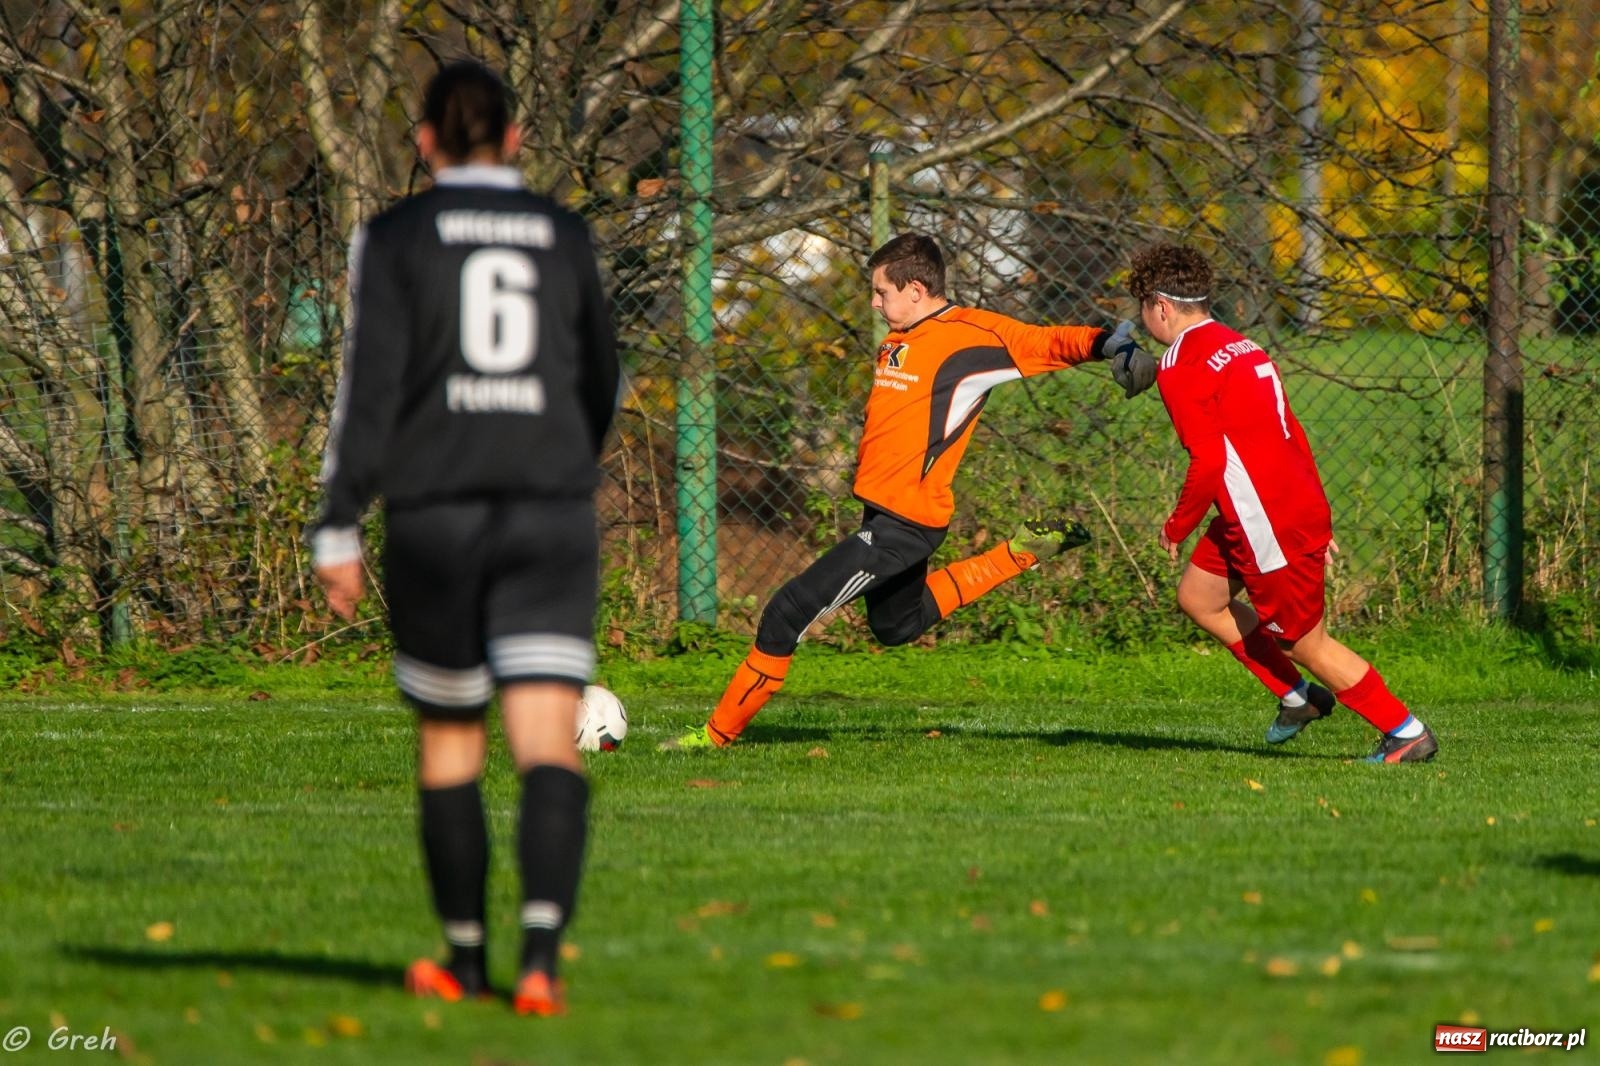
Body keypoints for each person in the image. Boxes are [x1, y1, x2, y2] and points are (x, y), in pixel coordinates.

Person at [311, 60, 620, 1016]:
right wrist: (563, 462)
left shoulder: (395, 235)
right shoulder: (564, 234)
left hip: (438, 515)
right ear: (517, 140)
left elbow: (371, 392)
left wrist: (336, 521)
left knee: (452, 745)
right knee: (546, 745)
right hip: (548, 511)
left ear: (425, 143)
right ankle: (540, 964)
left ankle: (465, 961)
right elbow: (600, 376)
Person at [663, 232, 1157, 750]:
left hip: (908, 523)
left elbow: (1047, 341)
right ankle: (1019, 554)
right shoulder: (898, 336)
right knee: (897, 626)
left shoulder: (973, 334)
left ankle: (715, 736)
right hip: (883, 515)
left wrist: (1114, 345)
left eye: (881, 293)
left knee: (788, 609)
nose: (875, 304)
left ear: (916, 289)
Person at [1126, 242, 1437, 763]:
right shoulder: (1242, 346)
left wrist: (1177, 526)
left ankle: (1405, 731)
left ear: (1160, 306)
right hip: (1278, 507)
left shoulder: (1179, 365)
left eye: (1142, 308)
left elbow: (1206, 463)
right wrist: (1315, 512)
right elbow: (1287, 431)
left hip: (1262, 522)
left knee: (1305, 643)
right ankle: (1298, 698)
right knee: (1200, 599)